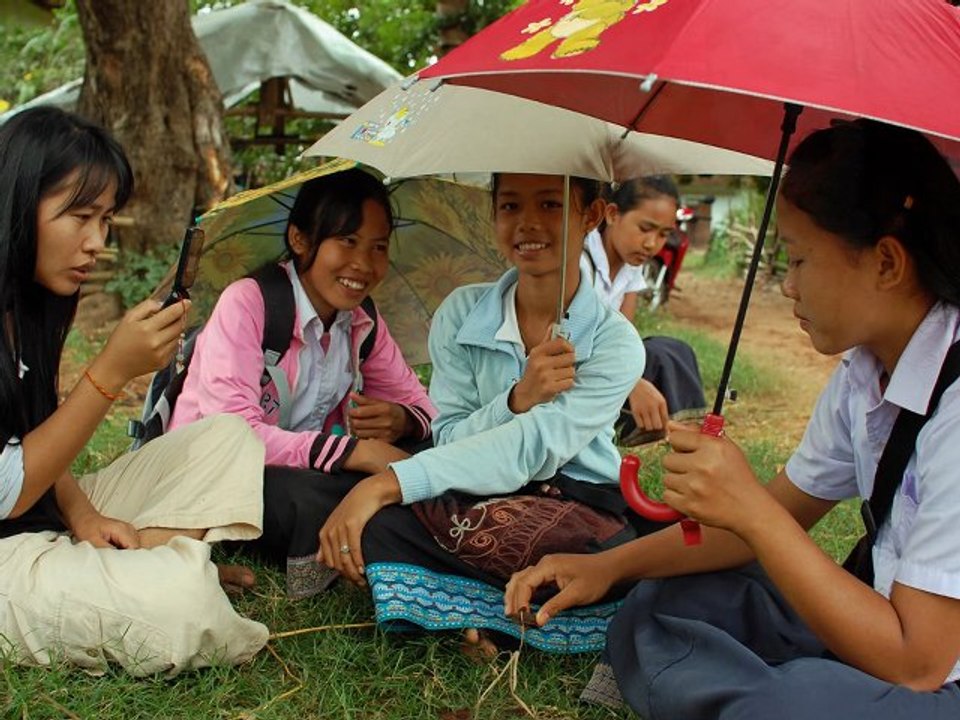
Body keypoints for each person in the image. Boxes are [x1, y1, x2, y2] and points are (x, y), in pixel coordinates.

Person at [504, 119, 960, 717]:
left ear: (886, 263)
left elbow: (917, 664)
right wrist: (606, 567)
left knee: (794, 703)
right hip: (878, 624)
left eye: (798, 260)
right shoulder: (863, 375)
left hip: (931, 675)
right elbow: (774, 513)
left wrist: (750, 510)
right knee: (672, 597)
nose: (789, 286)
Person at [316, 173, 663, 654]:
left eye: (549, 204)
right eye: (510, 207)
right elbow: (450, 439)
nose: (527, 224)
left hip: (574, 502)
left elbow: (534, 449)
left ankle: (476, 617)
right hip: (474, 492)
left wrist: (385, 481)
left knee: (595, 552)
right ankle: (504, 618)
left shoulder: (615, 342)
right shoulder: (461, 312)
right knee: (385, 525)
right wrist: (517, 399)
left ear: (591, 216)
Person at [0, 106, 268, 676]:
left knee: (227, 437)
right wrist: (110, 373)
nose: (97, 242)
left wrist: (84, 515)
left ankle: (134, 570)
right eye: (81, 217)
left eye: (107, 219)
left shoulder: (30, 303)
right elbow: (8, 492)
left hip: (41, 520)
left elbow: (31, 432)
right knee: (178, 606)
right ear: (19, 203)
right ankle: (158, 580)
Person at [169, 168, 436, 599]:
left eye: (379, 247)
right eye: (347, 242)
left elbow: (425, 409)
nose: (364, 265)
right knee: (308, 497)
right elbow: (232, 436)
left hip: (302, 467)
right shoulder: (249, 302)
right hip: (218, 475)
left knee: (424, 457)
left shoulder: (361, 321)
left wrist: (403, 421)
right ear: (300, 240)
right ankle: (364, 546)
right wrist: (354, 451)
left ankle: (373, 531)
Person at [583, 176, 706, 444]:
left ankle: (677, 430)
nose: (652, 244)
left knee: (671, 351)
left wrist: (632, 374)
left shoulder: (631, 266)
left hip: (607, 362)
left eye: (663, 234)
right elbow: (576, 346)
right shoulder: (580, 262)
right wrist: (631, 383)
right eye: (645, 228)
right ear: (613, 214)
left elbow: (624, 337)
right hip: (576, 368)